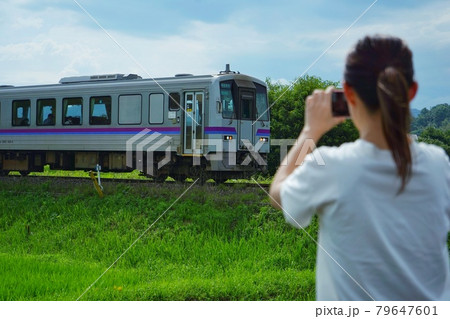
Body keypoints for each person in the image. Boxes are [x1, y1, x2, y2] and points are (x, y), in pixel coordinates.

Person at [269, 35, 450, 301]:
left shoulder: (333, 166)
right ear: (411, 92)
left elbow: (277, 194)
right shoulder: (439, 164)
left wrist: (311, 130)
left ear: (349, 94)